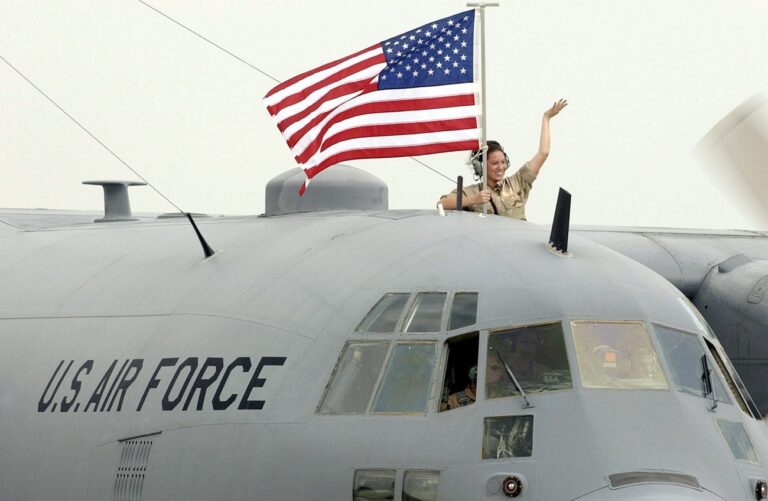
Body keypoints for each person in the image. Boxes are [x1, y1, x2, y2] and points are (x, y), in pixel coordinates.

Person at [438, 99, 568, 219]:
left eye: (503, 162)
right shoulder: (471, 192)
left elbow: (543, 153)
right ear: (480, 166)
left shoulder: (518, 183)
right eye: (495, 163)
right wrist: (473, 200)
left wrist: (546, 118)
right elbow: (442, 204)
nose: (501, 167)